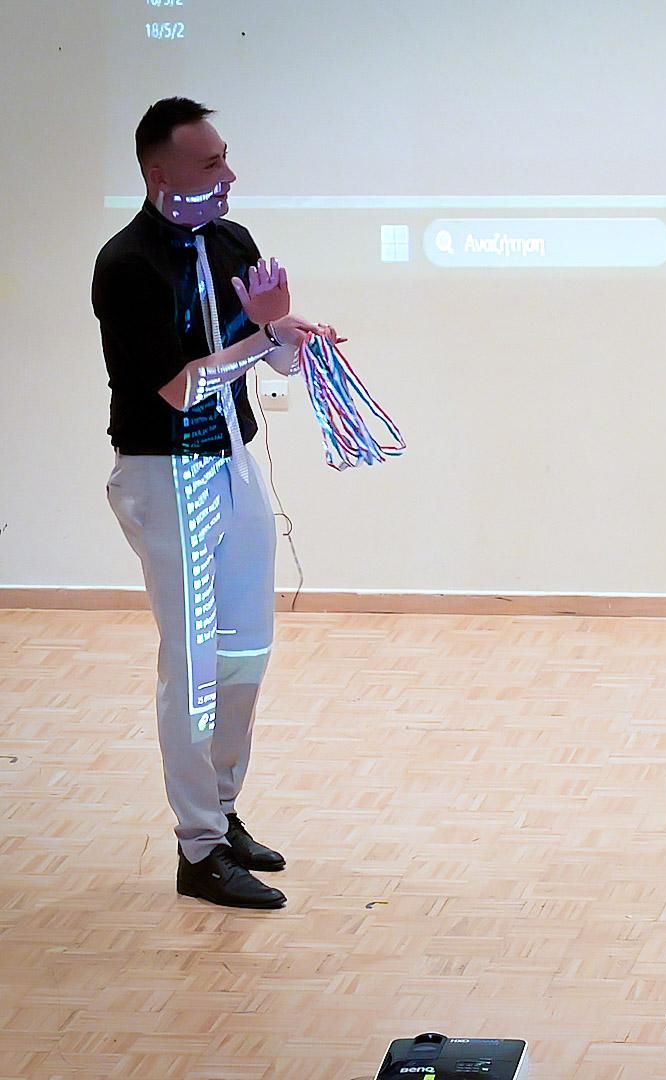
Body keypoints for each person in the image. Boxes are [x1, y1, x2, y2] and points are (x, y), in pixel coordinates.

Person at [93, 97, 334, 909]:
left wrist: (294, 339)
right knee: (195, 661)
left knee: (247, 649)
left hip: (231, 460)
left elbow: (269, 357)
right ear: (158, 175)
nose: (229, 176)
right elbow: (180, 387)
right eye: (209, 164)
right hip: (165, 473)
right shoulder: (126, 265)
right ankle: (197, 848)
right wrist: (264, 336)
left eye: (225, 157)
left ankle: (223, 813)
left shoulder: (232, 242)